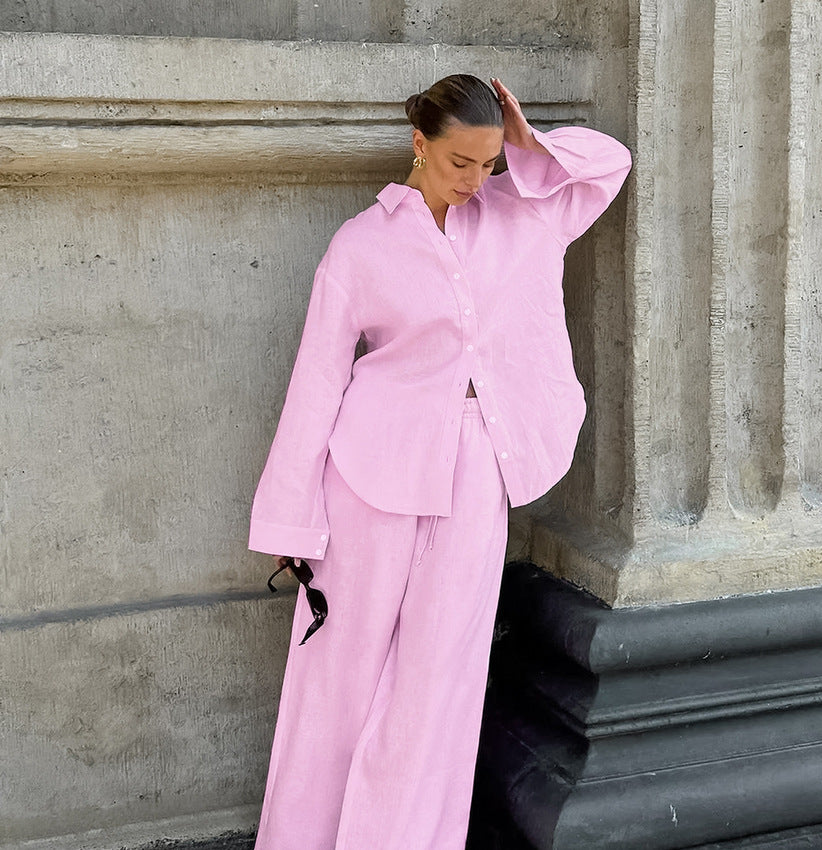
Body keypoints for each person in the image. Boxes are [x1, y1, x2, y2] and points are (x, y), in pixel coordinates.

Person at [248, 74, 631, 850]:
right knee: (335, 680)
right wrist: (293, 520)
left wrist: (526, 145)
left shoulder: (525, 217)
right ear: (418, 144)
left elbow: (610, 165)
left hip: (477, 473)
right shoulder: (361, 245)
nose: (474, 180)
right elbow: (318, 381)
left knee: (438, 682)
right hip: (366, 477)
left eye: (487, 164)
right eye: (460, 161)